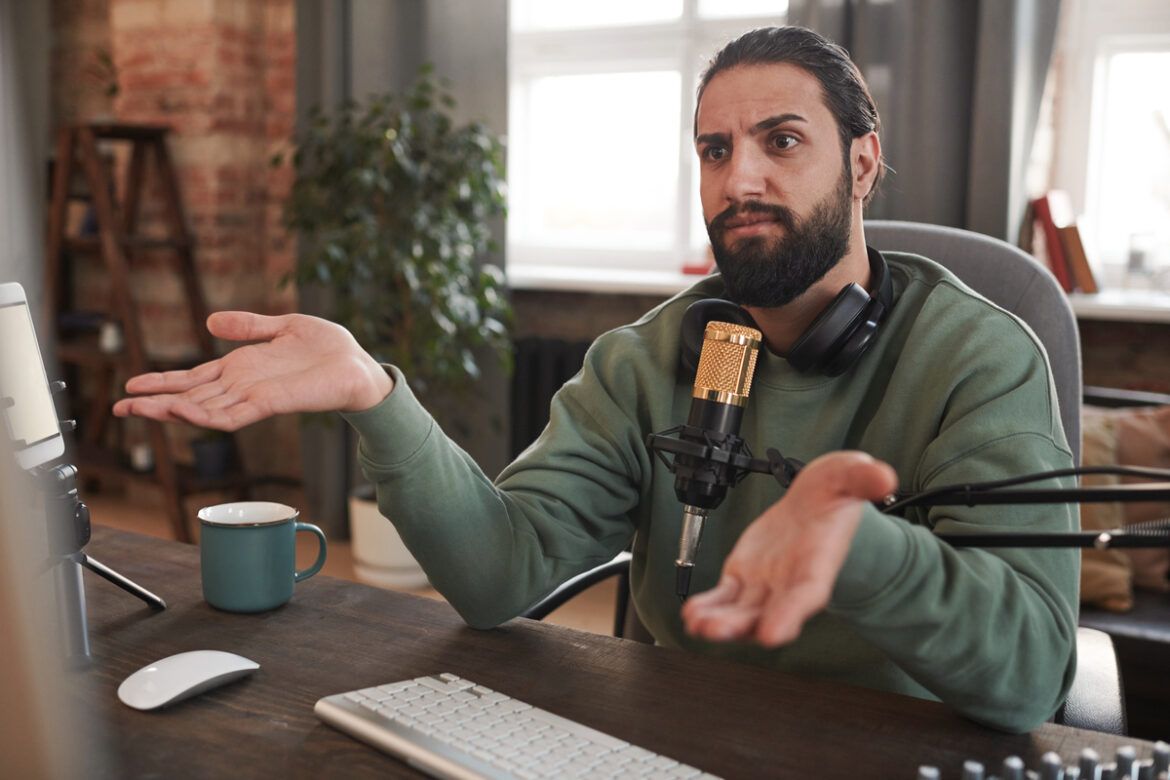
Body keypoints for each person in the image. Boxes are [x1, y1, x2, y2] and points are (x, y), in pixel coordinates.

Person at [114, 26, 1078, 733]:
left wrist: (859, 549)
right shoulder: (649, 358)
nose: (740, 180)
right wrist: (377, 394)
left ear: (862, 165)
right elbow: (500, 577)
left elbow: (1035, 674)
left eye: (782, 142)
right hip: (672, 739)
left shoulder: (979, 359)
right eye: (715, 149)